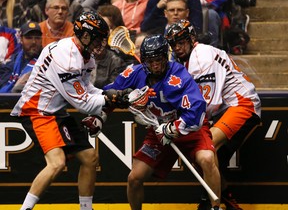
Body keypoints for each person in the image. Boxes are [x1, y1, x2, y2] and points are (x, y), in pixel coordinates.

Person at [10, 11, 131, 210]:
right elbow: (83, 103)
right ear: (84, 36)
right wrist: (114, 99)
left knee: (90, 158)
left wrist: (110, 94)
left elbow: (87, 89)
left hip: (56, 111)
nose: (101, 44)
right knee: (56, 163)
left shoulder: (85, 56)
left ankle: (85, 208)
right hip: (37, 110)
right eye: (97, 39)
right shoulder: (65, 57)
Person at [103, 34, 222, 210]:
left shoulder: (179, 75)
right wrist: (123, 97)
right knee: (134, 178)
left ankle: (215, 207)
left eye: (158, 59)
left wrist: (172, 128)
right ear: (143, 60)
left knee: (207, 158)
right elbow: (108, 92)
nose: (155, 65)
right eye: (150, 61)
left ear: (166, 56)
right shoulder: (134, 72)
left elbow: (196, 112)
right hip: (158, 132)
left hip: (188, 128)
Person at [165, 19, 261, 210]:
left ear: (192, 39)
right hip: (229, 107)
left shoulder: (202, 59)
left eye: (181, 41)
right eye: (173, 43)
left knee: (207, 149)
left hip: (243, 104)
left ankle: (209, 202)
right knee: (202, 156)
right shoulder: (191, 58)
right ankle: (225, 197)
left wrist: (179, 121)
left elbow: (209, 105)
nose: (177, 47)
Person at [0, 21, 42, 93]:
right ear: (21, 39)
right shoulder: (14, 59)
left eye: (37, 38)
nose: (34, 42)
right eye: (29, 38)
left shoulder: (46, 60)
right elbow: (3, 81)